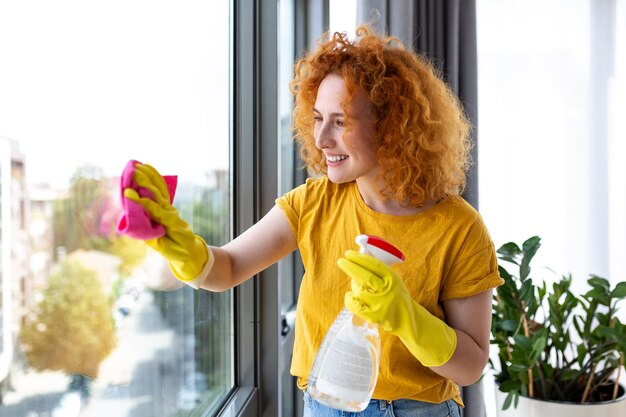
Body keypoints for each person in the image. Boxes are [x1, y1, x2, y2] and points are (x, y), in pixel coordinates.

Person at [123, 26, 503, 417]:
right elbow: (228, 268)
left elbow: (471, 366)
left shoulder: (460, 228)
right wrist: (182, 246)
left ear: (391, 126)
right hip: (324, 406)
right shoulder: (313, 203)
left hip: (419, 411)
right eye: (318, 117)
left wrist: (407, 318)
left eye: (340, 121)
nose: (321, 138)